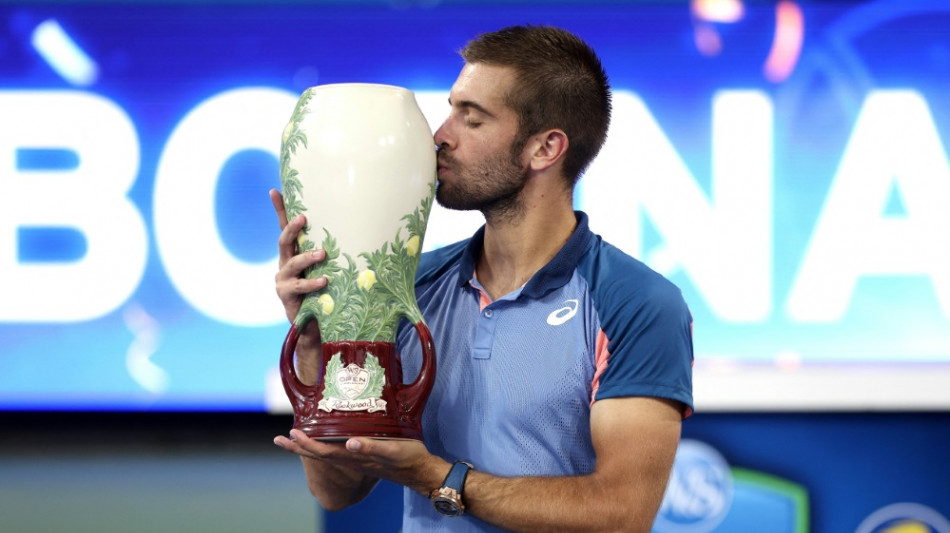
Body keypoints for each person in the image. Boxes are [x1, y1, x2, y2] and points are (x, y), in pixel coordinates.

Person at [271, 25, 693, 533]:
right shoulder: (409, 285)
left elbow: (621, 514)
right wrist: (318, 344)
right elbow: (337, 490)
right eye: (449, 109)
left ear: (544, 149)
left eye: (471, 119)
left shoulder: (637, 303)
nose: (439, 137)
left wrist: (436, 478)